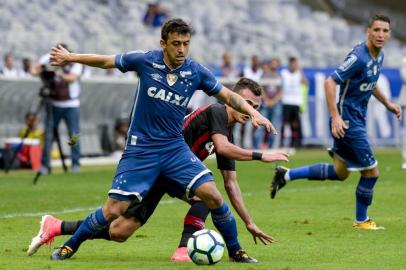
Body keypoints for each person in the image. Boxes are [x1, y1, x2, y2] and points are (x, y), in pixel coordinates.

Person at [45, 18, 276, 262]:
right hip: (141, 149)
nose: (181, 50)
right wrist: (71, 57)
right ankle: (69, 246)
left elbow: (228, 95)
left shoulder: (195, 72)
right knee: (114, 210)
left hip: (174, 148)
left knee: (213, 196)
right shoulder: (145, 61)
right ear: (163, 43)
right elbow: (105, 60)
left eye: (186, 44)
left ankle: (236, 252)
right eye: (176, 44)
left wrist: (253, 112)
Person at [28, 78, 289, 262]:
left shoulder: (226, 128)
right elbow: (222, 148)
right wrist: (260, 155)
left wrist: (249, 222)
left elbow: (231, 183)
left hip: (172, 175)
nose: (251, 111)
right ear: (232, 98)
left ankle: (57, 225)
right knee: (121, 223)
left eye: (255, 107)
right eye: (246, 103)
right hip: (155, 166)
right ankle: (187, 248)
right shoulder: (217, 111)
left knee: (121, 231)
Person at [270, 14, 401, 230]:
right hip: (348, 122)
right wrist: (336, 117)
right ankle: (361, 221)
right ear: (368, 31)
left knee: (340, 172)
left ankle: (287, 174)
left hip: (356, 118)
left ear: (389, 34)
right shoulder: (359, 56)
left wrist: (387, 103)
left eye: (385, 31)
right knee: (372, 171)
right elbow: (330, 82)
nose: (380, 34)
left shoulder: (379, 55)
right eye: (376, 30)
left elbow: (371, 81)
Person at [33, 44, 83, 174]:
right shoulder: (48, 58)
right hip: (54, 104)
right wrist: (43, 70)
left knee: (73, 135)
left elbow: (71, 78)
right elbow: (35, 70)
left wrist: (58, 73)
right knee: (48, 135)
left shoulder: (75, 62)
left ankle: (75, 163)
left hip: (71, 105)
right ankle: (45, 165)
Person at [253, 58, 283, 149]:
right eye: (272, 63)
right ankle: (257, 147)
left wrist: (273, 101)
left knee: (275, 126)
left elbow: (282, 91)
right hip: (265, 104)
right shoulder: (264, 75)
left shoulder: (280, 76)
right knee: (260, 125)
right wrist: (267, 100)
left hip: (276, 104)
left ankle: (273, 147)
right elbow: (261, 89)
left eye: (276, 63)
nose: (274, 65)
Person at [280, 56, 308, 148]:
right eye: (291, 63)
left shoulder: (299, 73)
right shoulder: (284, 73)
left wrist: (300, 70)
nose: (293, 65)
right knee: (285, 123)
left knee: (295, 124)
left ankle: (295, 143)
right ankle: (282, 142)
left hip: (296, 102)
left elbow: (305, 82)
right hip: (286, 101)